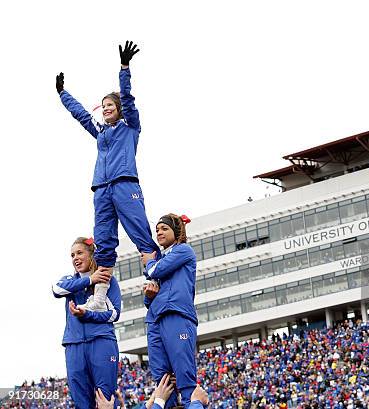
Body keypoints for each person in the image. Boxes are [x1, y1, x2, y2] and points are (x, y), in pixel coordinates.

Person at [55, 40, 159, 311]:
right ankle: (100, 298)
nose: (106, 108)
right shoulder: (101, 132)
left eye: (110, 104)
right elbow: (80, 115)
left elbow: (127, 98)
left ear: (119, 108)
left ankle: (156, 278)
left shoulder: (130, 126)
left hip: (125, 184)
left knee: (140, 233)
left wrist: (124, 69)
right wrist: (63, 94)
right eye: (103, 106)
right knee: (103, 243)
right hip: (101, 189)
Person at [52, 237, 121, 408]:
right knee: (81, 401)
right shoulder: (69, 280)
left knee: (105, 398)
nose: (75, 258)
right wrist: (90, 280)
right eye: (72, 255)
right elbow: (56, 289)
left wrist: (87, 314)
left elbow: (114, 314)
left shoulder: (108, 280)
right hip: (73, 345)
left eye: (80, 253)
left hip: (101, 341)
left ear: (91, 254)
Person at [142, 213, 199, 407]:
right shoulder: (162, 259)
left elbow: (152, 271)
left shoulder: (184, 250)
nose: (159, 232)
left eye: (164, 228)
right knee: (162, 380)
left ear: (177, 231)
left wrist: (149, 261)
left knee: (184, 376)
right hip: (155, 320)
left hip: (177, 315)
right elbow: (150, 300)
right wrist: (148, 296)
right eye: (157, 230)